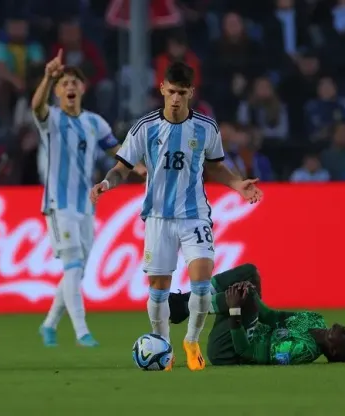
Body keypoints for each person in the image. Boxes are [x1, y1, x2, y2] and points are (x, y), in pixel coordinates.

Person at [90, 62, 263, 371]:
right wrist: (106, 183)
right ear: (162, 90)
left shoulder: (206, 128)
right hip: (157, 217)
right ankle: (163, 344)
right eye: (171, 92)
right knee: (159, 286)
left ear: (190, 93)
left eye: (182, 93)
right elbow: (121, 168)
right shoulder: (145, 128)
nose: (176, 99)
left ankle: (192, 340)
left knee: (201, 278)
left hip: (194, 215)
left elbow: (214, 167)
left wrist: (237, 184)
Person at [30, 50, 144, 348]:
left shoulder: (94, 122)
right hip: (58, 204)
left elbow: (115, 149)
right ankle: (82, 332)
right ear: (57, 90)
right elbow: (36, 106)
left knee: (76, 270)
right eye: (64, 83)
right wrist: (47, 76)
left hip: (85, 205)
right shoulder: (51, 119)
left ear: (82, 89)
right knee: (71, 264)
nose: (70, 87)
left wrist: (137, 166)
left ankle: (49, 324)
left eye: (74, 83)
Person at [168, 264, 345, 366]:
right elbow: (273, 316)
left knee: (244, 297)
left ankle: (185, 308)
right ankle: (188, 301)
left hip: (228, 351)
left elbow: (247, 353)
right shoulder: (316, 319)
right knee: (250, 273)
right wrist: (250, 292)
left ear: (335, 351)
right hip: (248, 326)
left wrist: (236, 309)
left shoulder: (302, 350)